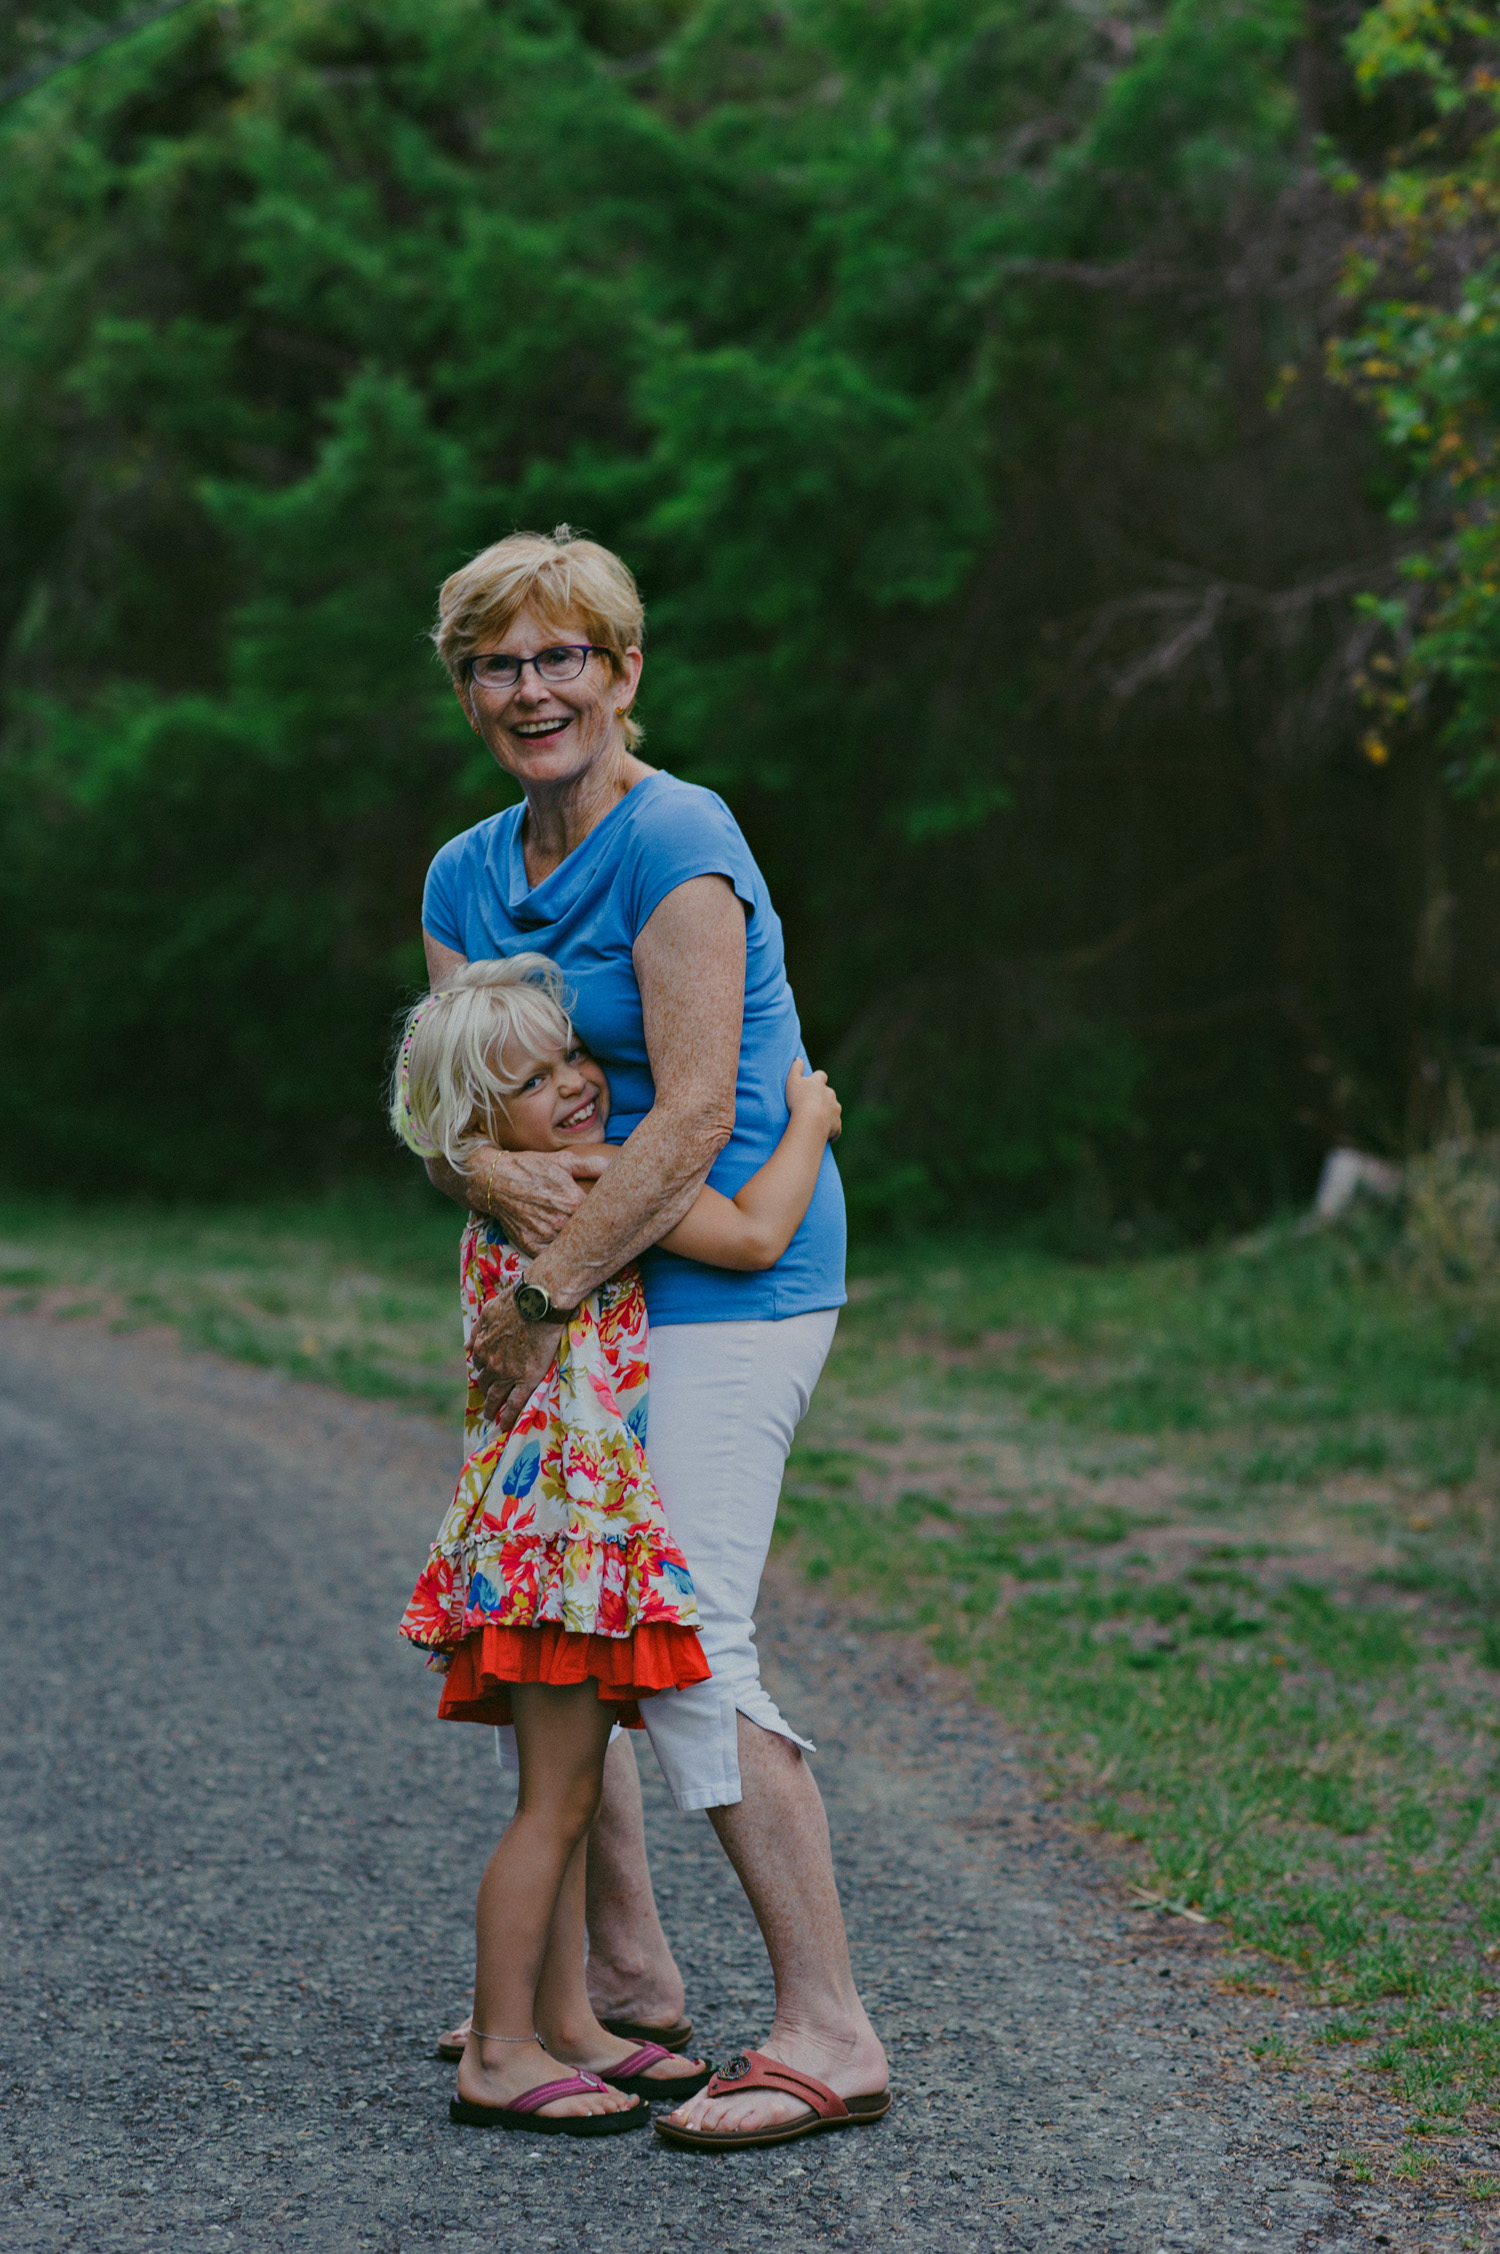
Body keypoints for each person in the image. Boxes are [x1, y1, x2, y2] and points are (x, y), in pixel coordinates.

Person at [419, 526, 889, 2151]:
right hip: (571, 1272)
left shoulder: (679, 835)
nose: (531, 686)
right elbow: (455, 1106)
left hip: (729, 1276)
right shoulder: (463, 875)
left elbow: (689, 1117)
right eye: (497, 659)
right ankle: (620, 1978)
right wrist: (487, 1174)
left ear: (624, 671)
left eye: (564, 655)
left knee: (685, 1629)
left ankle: (829, 2025)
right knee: (565, 1611)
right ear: (466, 685)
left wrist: (544, 1273)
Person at [391, 954, 843, 2133]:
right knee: (553, 1804)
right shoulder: (590, 1173)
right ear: (481, 1127)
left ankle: (574, 2026)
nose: (576, 1085)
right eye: (533, 1081)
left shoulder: (504, 1184)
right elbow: (750, 1235)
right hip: (559, 1541)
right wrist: (808, 1122)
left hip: (534, 1528)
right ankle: (501, 2048)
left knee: (571, 1790)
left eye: (571, 1056)